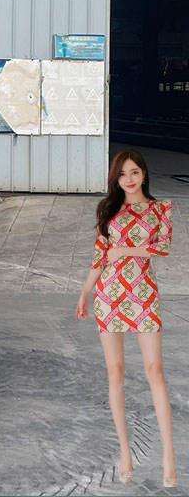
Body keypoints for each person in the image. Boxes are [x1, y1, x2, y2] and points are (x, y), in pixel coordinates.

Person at [75, 149, 176, 488]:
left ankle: (169, 456)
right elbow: (99, 254)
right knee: (115, 371)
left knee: (155, 370)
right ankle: (125, 453)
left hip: (144, 294)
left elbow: (163, 247)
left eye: (134, 172)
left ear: (144, 173)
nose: (129, 179)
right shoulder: (108, 209)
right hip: (110, 295)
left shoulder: (160, 209)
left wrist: (127, 250)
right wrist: (85, 292)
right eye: (122, 174)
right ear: (115, 179)